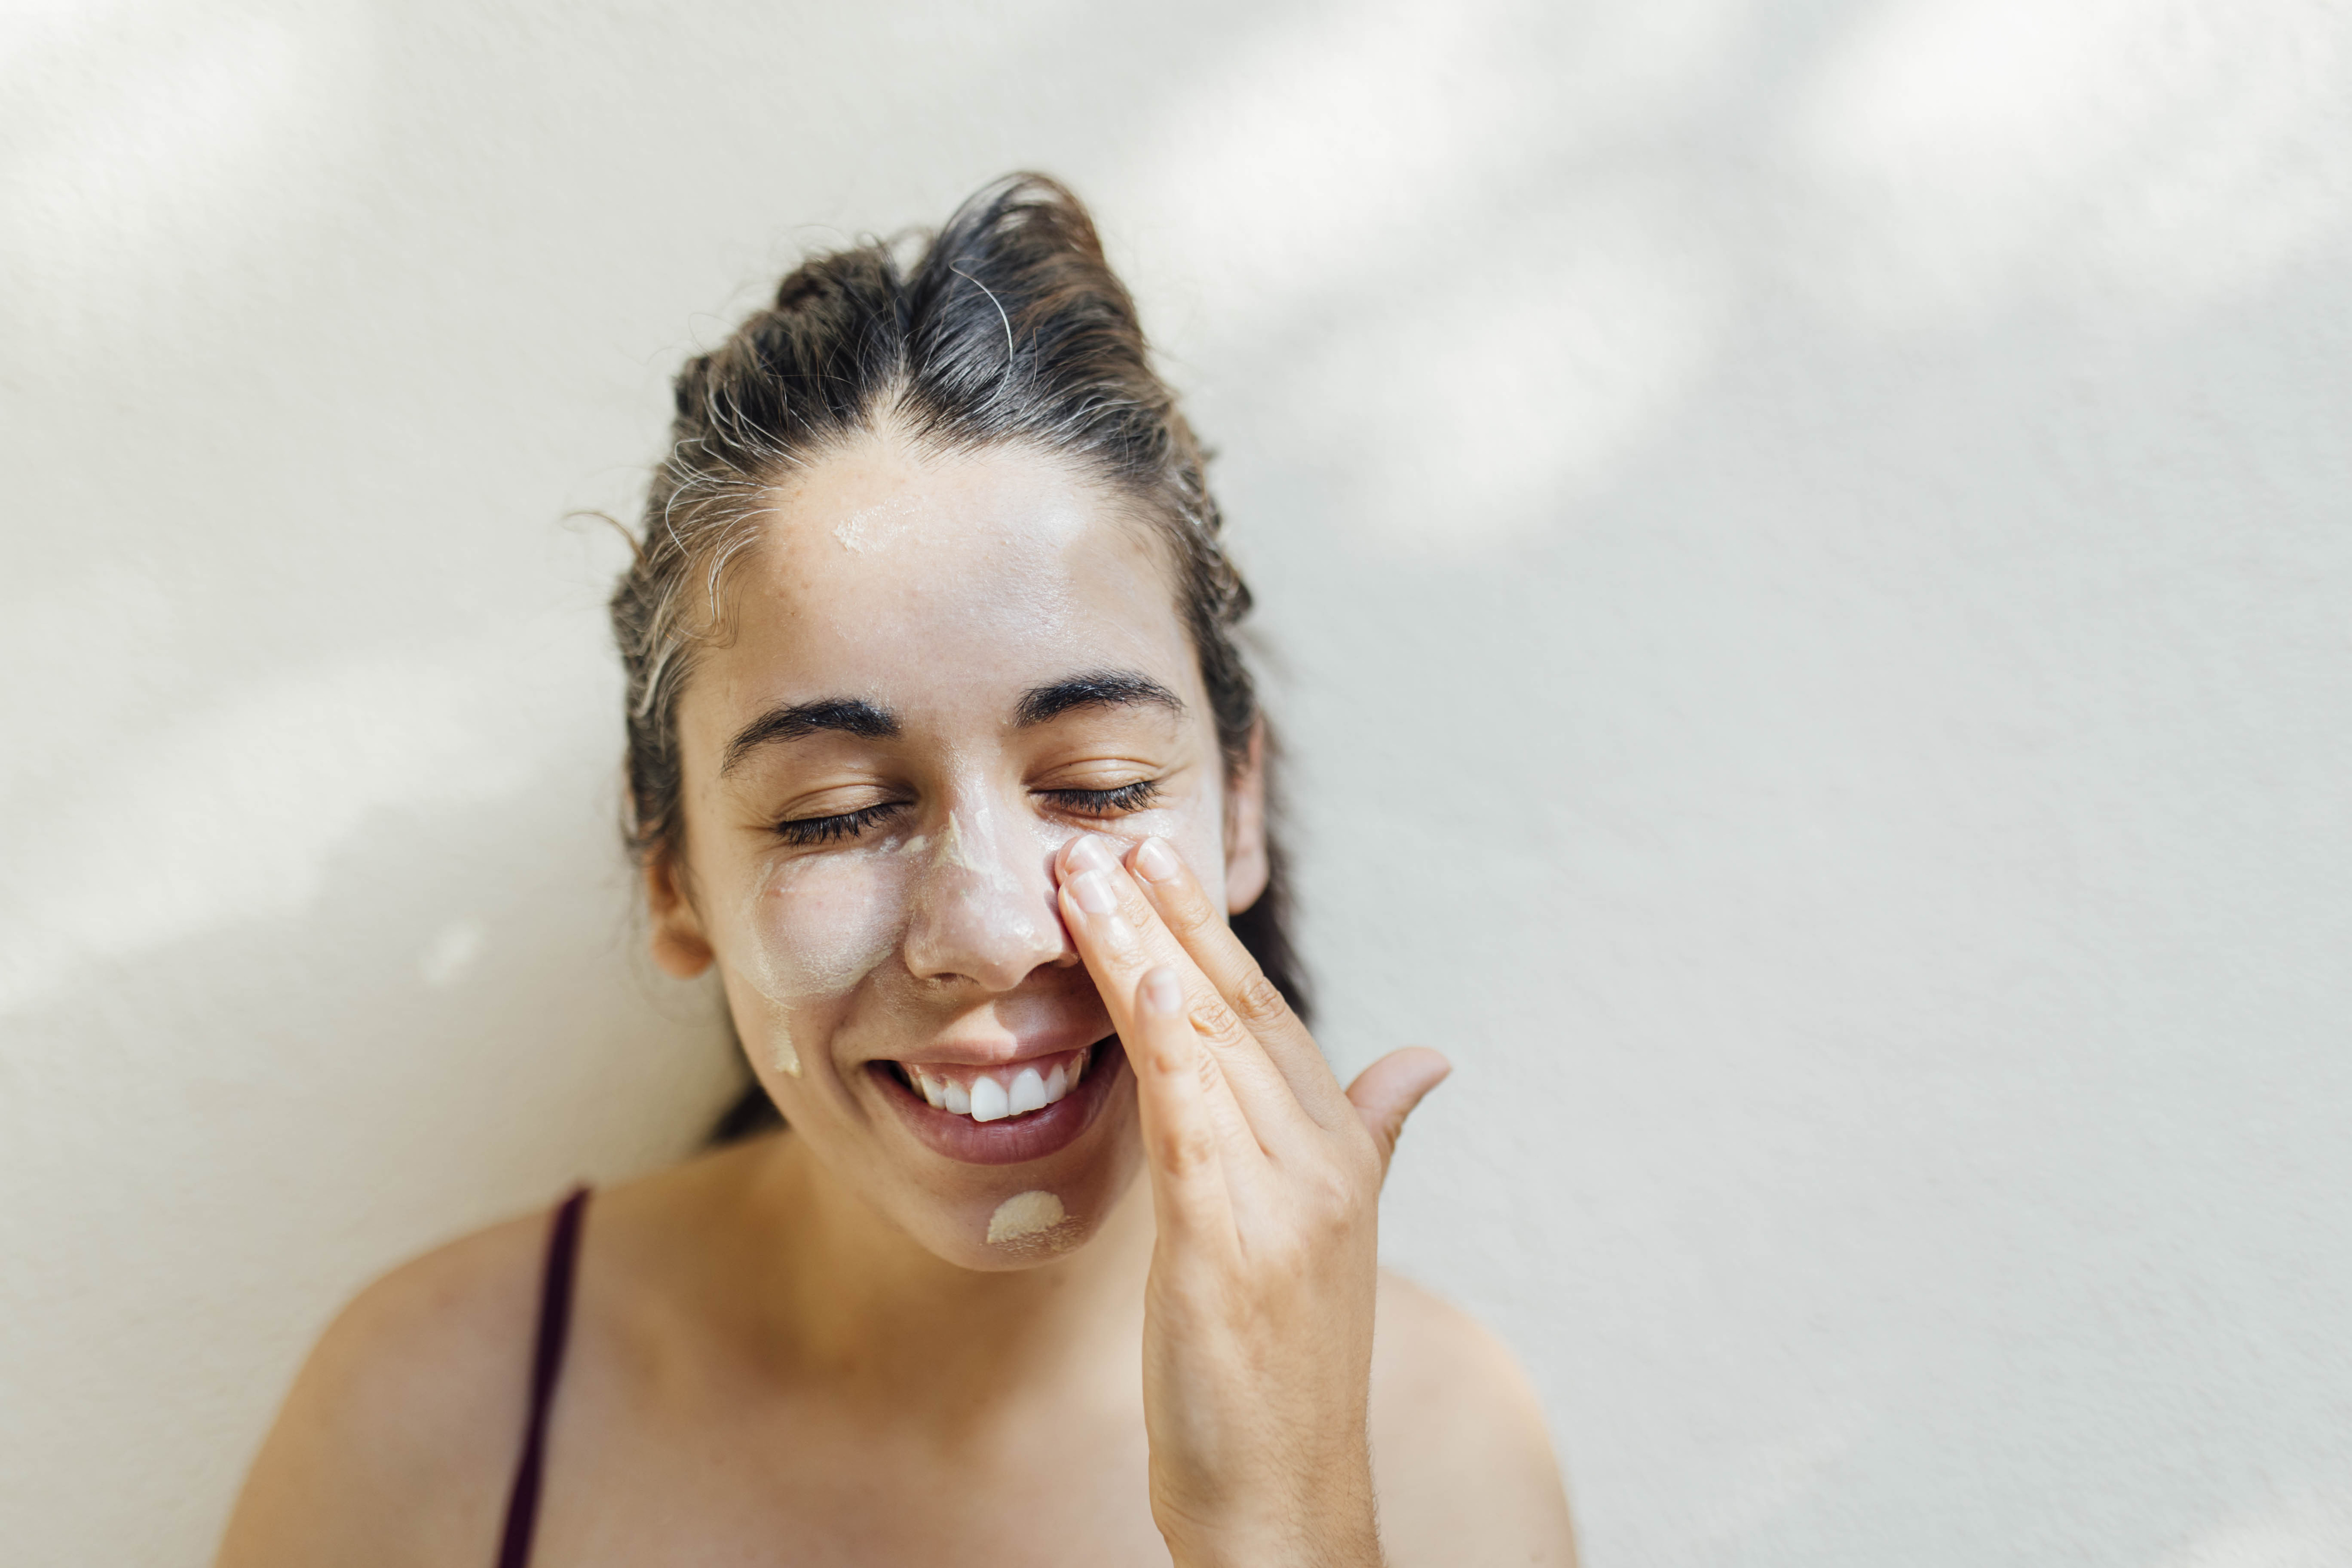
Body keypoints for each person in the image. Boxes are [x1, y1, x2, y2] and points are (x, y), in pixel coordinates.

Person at [215, 174, 1577, 1567]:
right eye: (831, 813)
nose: (985, 931)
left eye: (1096, 785)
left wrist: (1280, 1525)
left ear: (1236, 804)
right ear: (671, 873)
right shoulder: (435, 1413)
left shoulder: (1442, 1447)